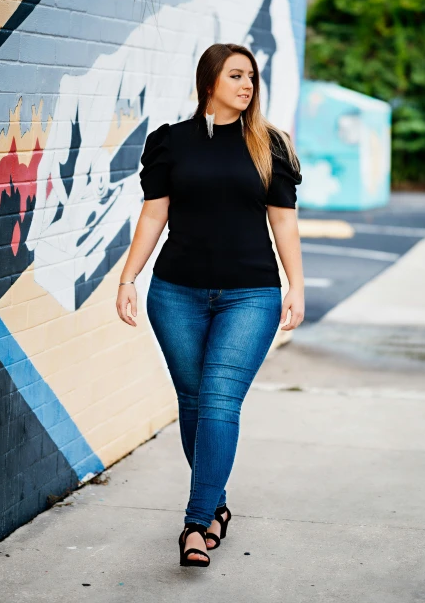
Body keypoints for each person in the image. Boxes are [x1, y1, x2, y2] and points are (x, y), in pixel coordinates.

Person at [116, 42, 304, 568]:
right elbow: (154, 215)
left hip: (251, 295)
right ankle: (216, 505)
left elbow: (283, 221)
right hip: (176, 293)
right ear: (210, 82)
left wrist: (297, 286)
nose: (247, 86)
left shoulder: (270, 144)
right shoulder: (169, 143)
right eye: (236, 76)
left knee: (220, 401)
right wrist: (129, 277)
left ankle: (195, 525)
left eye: (251, 78)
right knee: (196, 403)